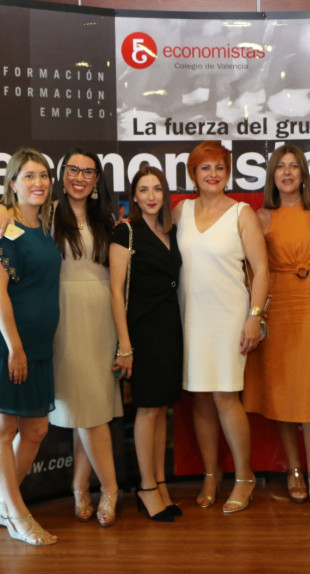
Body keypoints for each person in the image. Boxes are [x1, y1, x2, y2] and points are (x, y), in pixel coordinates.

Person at [0, 147, 122, 528]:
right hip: (61, 321)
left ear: (97, 180)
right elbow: (4, 214)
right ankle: (104, 489)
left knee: (88, 407)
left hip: (100, 321)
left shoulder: (106, 219)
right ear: (61, 176)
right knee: (84, 407)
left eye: (88, 172)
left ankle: (82, 487)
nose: (80, 177)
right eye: (73, 170)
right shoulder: (47, 212)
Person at [0, 148, 60, 546]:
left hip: (36, 345)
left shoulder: (43, 224)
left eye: (43, 176)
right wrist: (14, 349)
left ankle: (4, 502)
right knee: (3, 430)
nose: (38, 183)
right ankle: (18, 516)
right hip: (1, 343)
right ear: (13, 184)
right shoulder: (1, 227)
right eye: (29, 176)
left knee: (36, 429)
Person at [174, 140, 269, 514]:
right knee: (199, 397)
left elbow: (261, 270)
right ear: (193, 174)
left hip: (230, 318)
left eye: (219, 167)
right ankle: (211, 474)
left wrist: (254, 316)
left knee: (225, 397)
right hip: (190, 317)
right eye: (205, 167)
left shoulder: (242, 213)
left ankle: (244, 477)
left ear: (228, 173)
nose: (212, 174)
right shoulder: (181, 211)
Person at [243, 144, 310, 506]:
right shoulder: (261, 217)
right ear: (272, 175)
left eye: (294, 166)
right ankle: (294, 468)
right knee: (282, 391)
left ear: (304, 174)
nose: (288, 172)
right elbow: (251, 270)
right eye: (281, 166)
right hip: (278, 311)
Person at [110, 166, 183, 522]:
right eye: (143, 189)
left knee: (162, 408)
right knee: (147, 409)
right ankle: (146, 487)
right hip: (142, 331)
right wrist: (125, 345)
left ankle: (161, 483)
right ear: (134, 197)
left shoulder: (171, 231)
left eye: (157, 189)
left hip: (170, 329)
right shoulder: (125, 232)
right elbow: (115, 292)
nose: (151, 196)